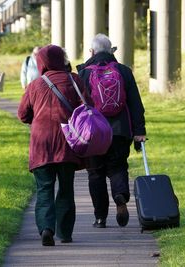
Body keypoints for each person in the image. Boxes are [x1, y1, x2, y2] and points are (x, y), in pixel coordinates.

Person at [18, 45, 92, 246]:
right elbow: (88, 106)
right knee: (66, 189)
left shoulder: (35, 85)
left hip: (41, 144)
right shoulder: (74, 80)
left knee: (44, 189)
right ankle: (65, 233)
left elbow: (23, 114)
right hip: (67, 141)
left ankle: (46, 228)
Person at [76, 33, 146, 228]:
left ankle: (100, 217)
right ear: (111, 50)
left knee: (95, 173)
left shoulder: (84, 73)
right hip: (120, 130)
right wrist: (139, 130)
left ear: (91, 51)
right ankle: (120, 196)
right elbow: (135, 103)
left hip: (94, 132)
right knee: (118, 167)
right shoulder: (123, 71)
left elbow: (78, 107)